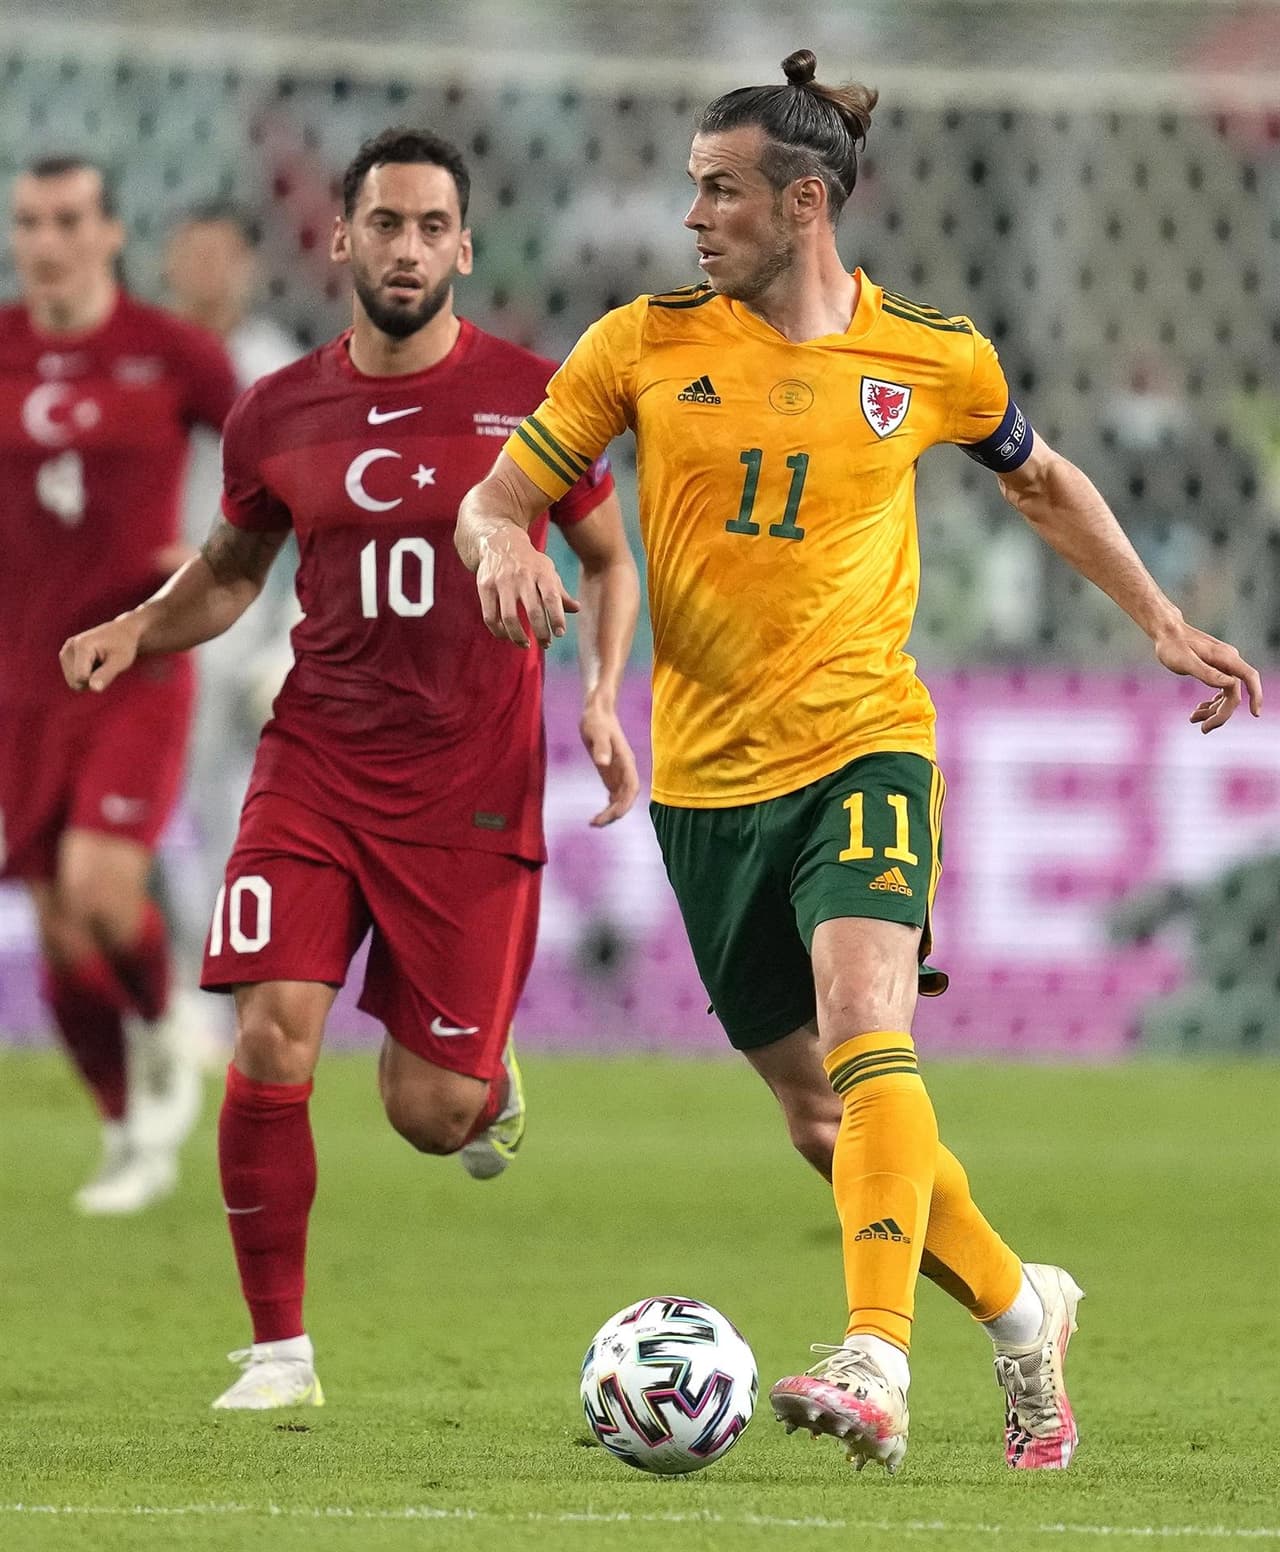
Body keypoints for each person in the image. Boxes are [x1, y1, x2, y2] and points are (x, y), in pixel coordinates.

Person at [456, 50, 1263, 1475]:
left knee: (863, 1006)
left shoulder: (931, 355)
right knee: (824, 1118)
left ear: (805, 202)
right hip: (707, 782)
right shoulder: (639, 344)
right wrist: (507, 544)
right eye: (692, 188)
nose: (692, 216)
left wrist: (1160, 618)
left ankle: (874, 1358)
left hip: (867, 740)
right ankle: (1026, 1313)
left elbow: (1042, 478)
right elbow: (497, 498)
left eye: (721, 191)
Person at [59, 128, 640, 1410]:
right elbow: (226, 575)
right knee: (270, 1033)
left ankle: (482, 1078)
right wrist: (134, 626)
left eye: (432, 227)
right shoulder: (276, 411)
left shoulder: (533, 399)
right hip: (314, 758)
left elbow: (607, 558)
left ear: (465, 248)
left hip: (469, 785)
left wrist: (600, 693)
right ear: (339, 238)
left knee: (429, 1112)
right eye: (385, 223)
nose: (407, 248)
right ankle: (279, 1353)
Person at [0, 155, 239, 1214]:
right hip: (19, 681)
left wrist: (209, 554)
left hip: (134, 662)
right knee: (59, 931)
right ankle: (124, 1124)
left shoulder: (168, 352)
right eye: (28, 222)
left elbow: (268, 462)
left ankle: (168, 1026)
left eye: (65, 219)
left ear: (108, 233)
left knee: (104, 890)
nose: (45, 240)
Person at [164, 204, 301, 995]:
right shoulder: (145, 355)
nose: (205, 271)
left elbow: (312, 515)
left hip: (232, 625)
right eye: (192, 254)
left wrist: (288, 635)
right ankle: (152, 987)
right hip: (131, 610)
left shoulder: (271, 366)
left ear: (248, 267)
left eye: (221, 255)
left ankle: (212, 987)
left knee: (228, 812)